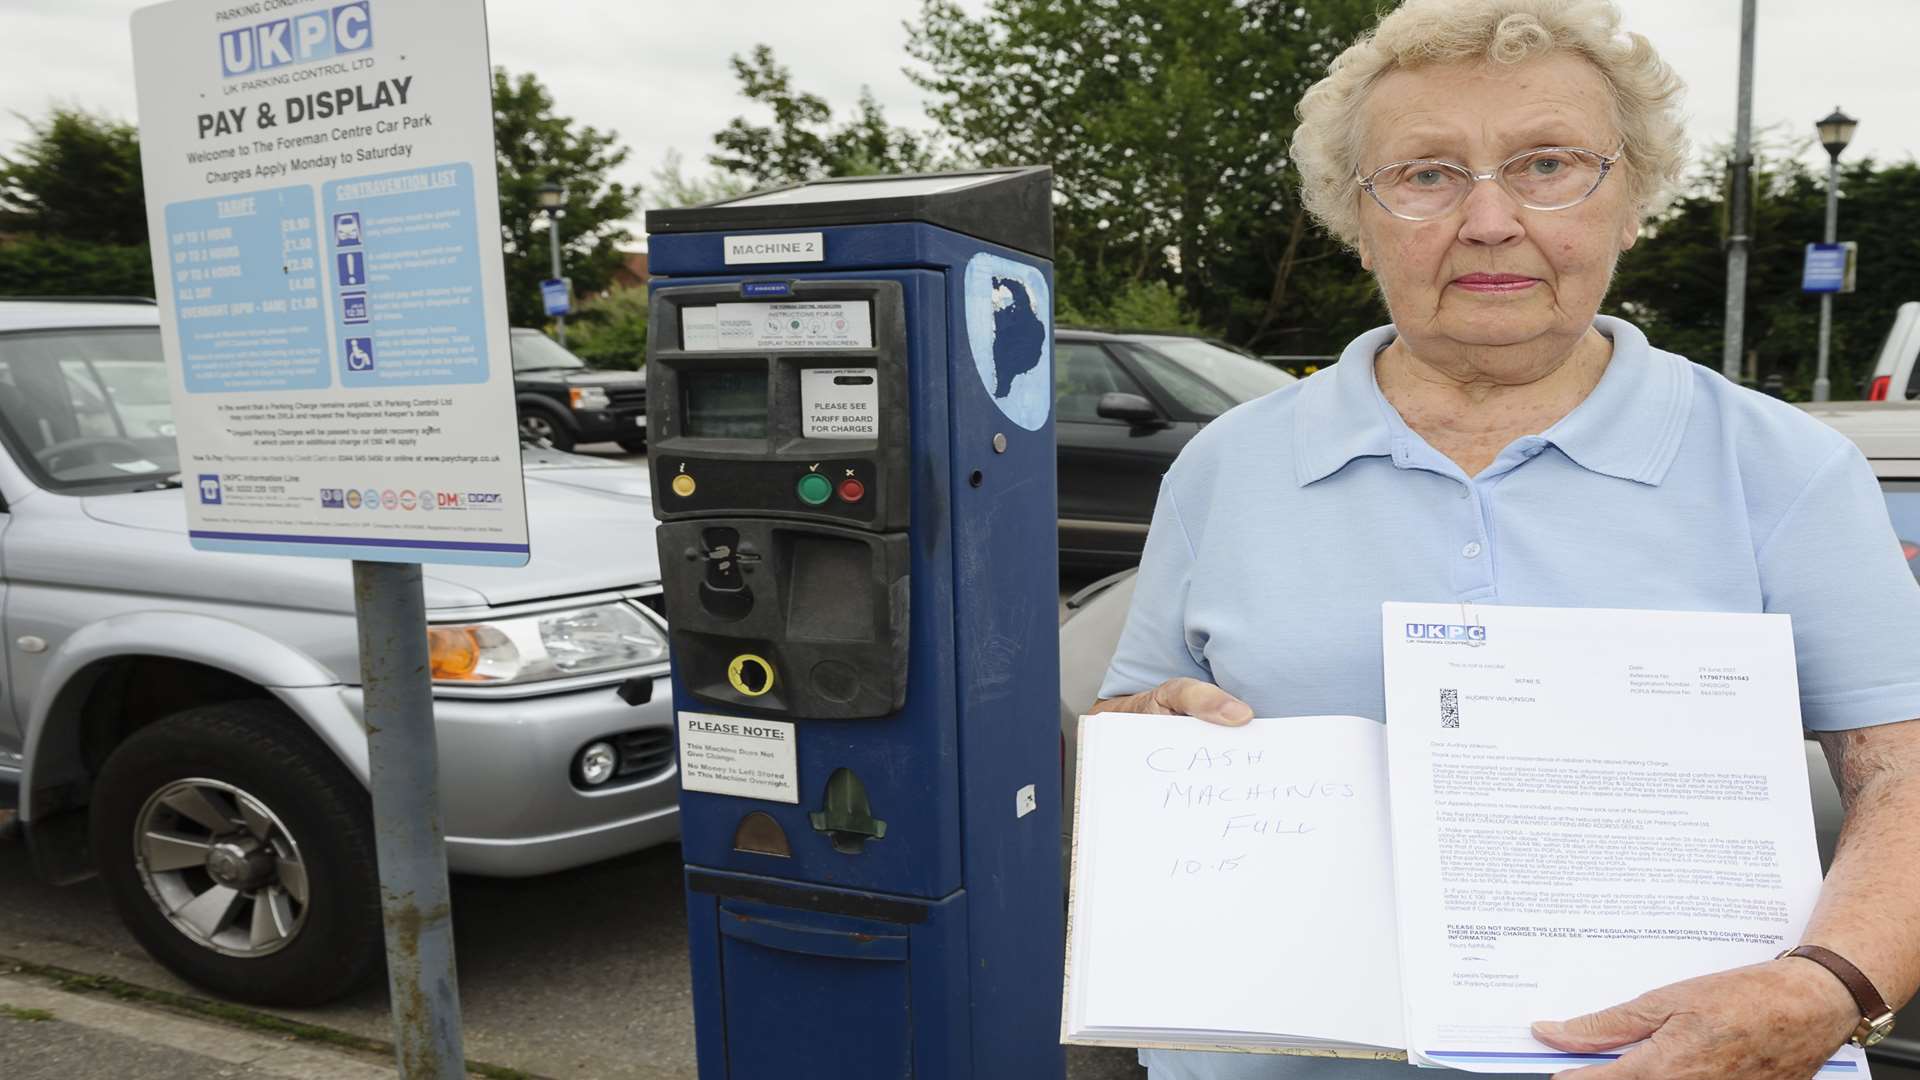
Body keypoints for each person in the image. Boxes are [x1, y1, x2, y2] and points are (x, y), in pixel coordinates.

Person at [1092, 1, 1920, 1078]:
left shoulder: (1782, 468)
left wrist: (1831, 986)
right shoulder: (1230, 463)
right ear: (1360, 215)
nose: (1489, 219)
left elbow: (1904, 775)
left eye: (1547, 165)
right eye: (1426, 174)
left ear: (1632, 202)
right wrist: (1148, 736)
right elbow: (1128, 728)